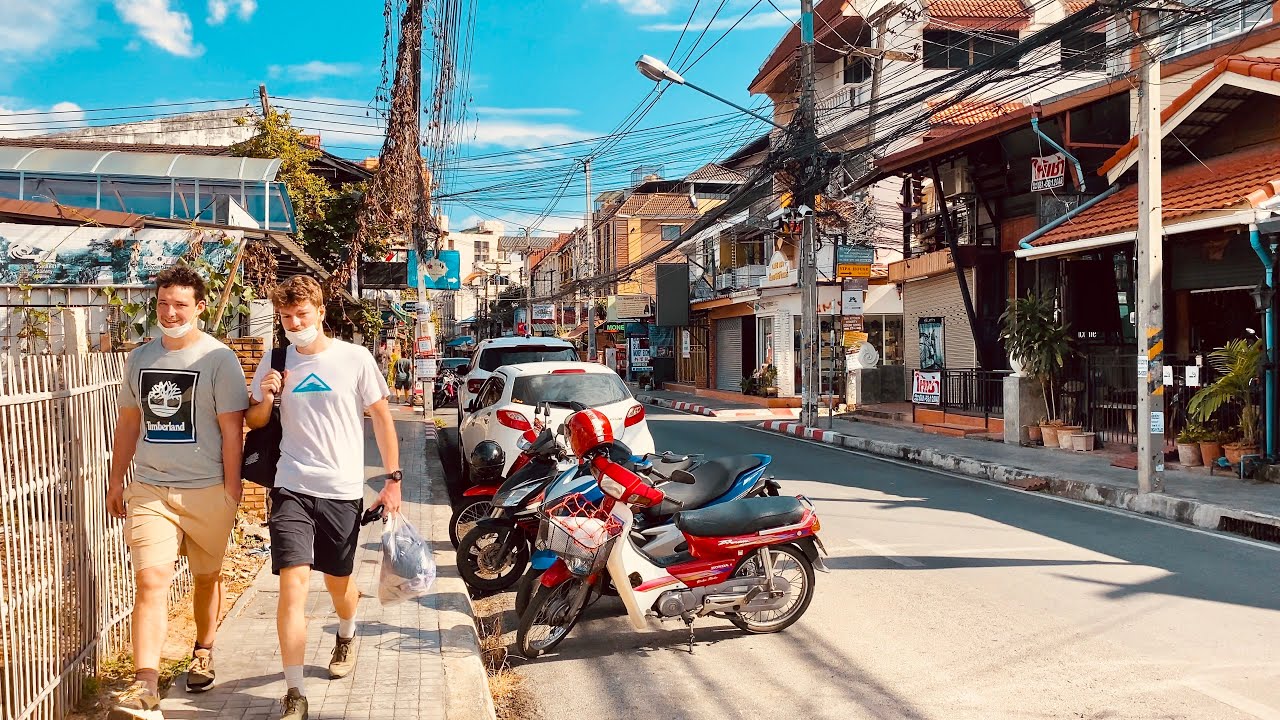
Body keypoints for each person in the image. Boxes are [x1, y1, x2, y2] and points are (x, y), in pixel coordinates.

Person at [246, 276, 402, 720]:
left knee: (339, 586)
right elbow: (255, 420)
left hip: (342, 491)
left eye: (302, 314)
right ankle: (294, 692)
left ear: (319, 311)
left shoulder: (354, 358)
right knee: (292, 585)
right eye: (287, 317)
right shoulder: (276, 359)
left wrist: (393, 480)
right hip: (291, 484)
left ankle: (346, 634)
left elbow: (382, 419)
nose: (295, 323)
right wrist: (269, 393)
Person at [106, 265, 249, 720]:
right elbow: (129, 423)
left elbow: (232, 431)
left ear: (200, 307)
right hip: (150, 487)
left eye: (180, 304)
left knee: (207, 580)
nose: (169, 312)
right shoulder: (140, 358)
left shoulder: (219, 359)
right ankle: (144, 685)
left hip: (207, 490)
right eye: (163, 303)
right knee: (150, 580)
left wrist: (231, 492)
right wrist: (117, 481)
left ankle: (203, 649)